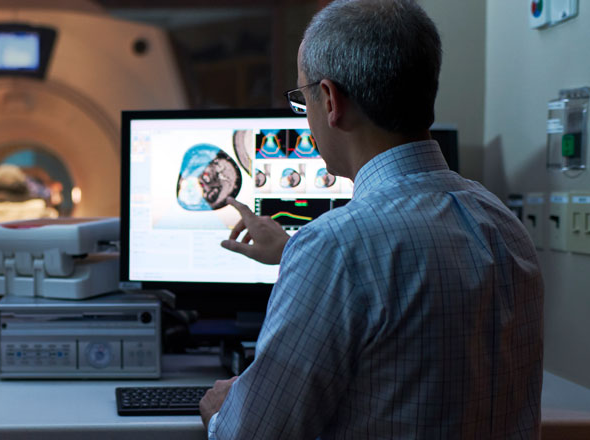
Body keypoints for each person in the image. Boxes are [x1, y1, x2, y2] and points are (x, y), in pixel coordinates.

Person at [200, 0, 544, 438]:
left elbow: (253, 435)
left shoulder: (335, 248)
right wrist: (293, 254)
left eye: (301, 98)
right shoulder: (503, 225)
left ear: (329, 100)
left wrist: (218, 413)